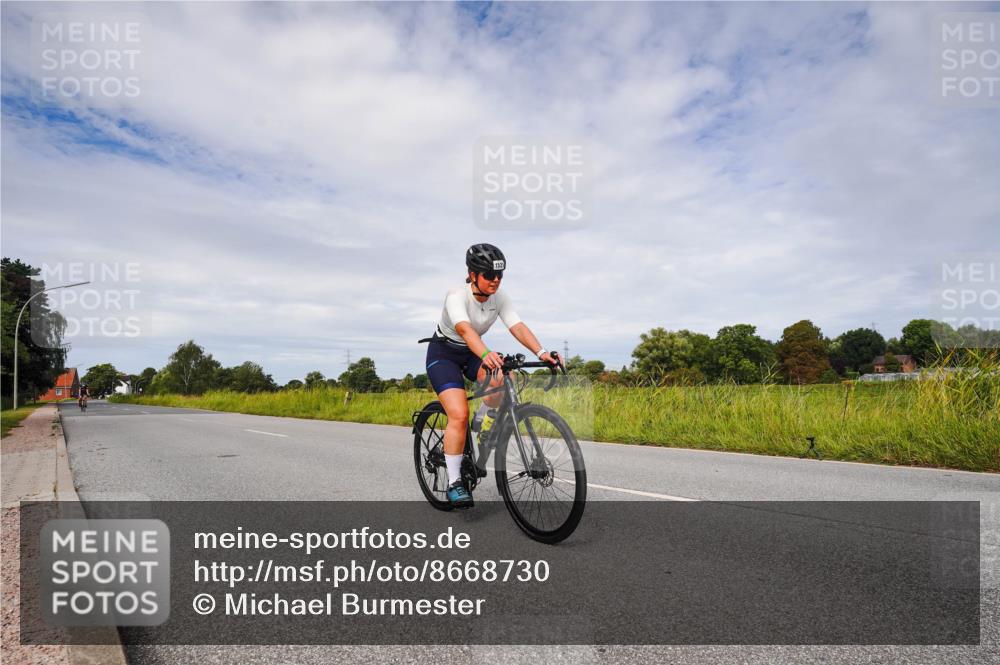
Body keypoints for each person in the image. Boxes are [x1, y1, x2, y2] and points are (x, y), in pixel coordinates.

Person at [425, 243, 559, 508]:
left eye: (500, 275)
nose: (495, 281)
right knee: (458, 414)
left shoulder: (500, 297)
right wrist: (486, 354)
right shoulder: (456, 295)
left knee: (502, 379)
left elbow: (517, 326)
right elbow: (464, 329)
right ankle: (454, 483)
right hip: (445, 355)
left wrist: (542, 352)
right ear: (473, 275)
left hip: (474, 351)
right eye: (489, 275)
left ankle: (483, 425)